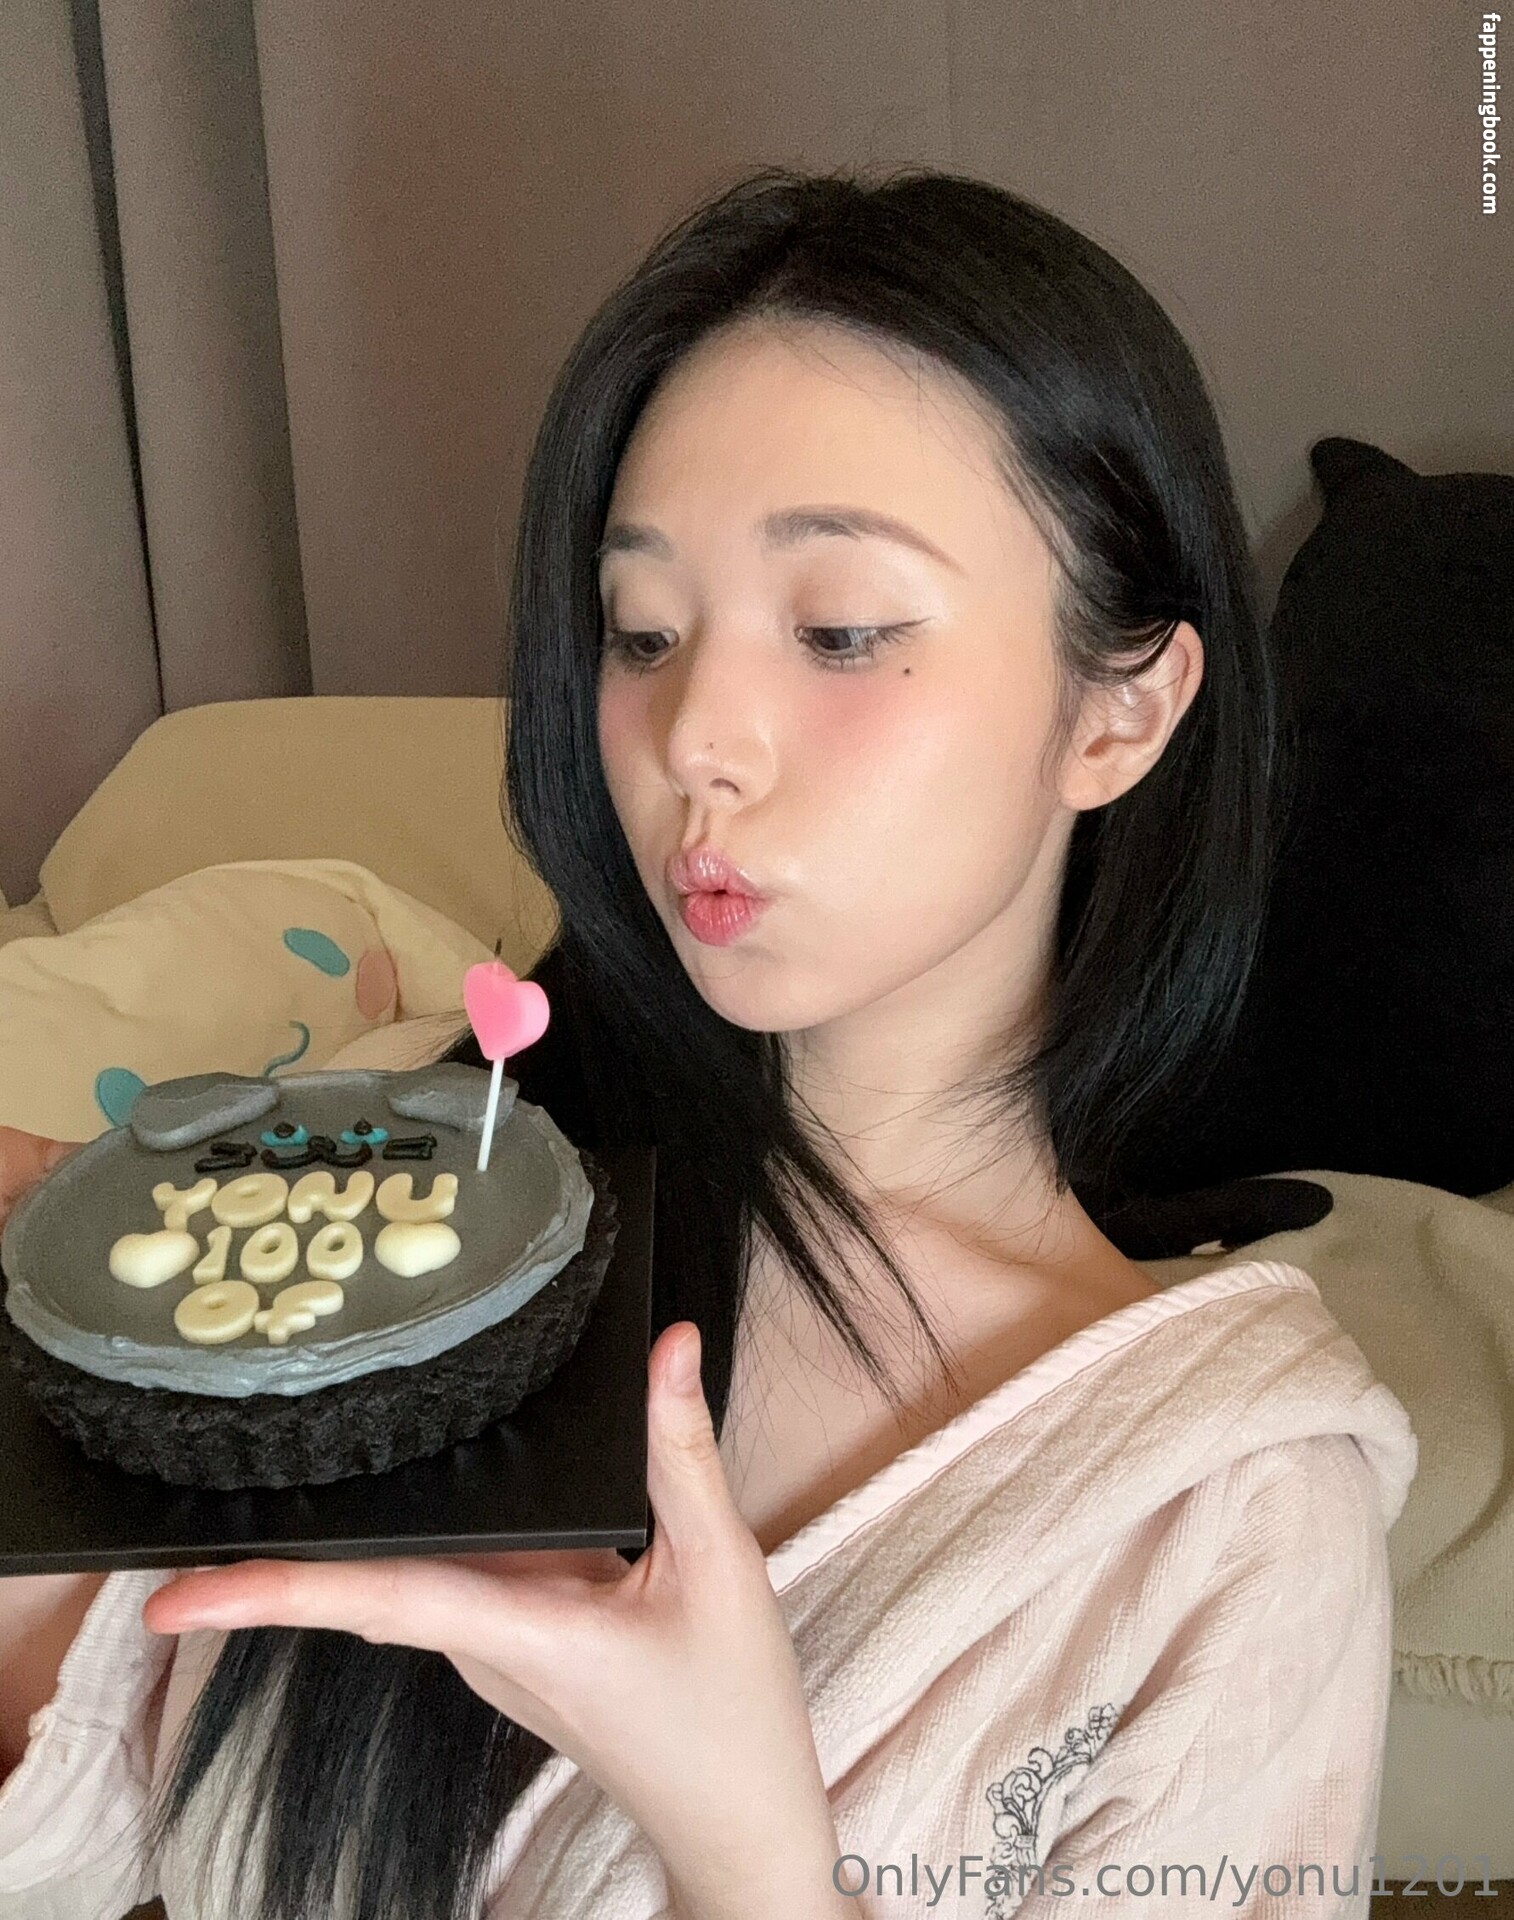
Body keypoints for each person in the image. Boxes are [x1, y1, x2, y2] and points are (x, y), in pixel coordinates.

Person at [0, 165, 1416, 1920]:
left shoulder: (1230, 1518)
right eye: (643, 633)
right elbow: (96, 1820)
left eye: (839, 630)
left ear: (1117, 713)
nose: (695, 736)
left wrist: (743, 1849)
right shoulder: (432, 1210)